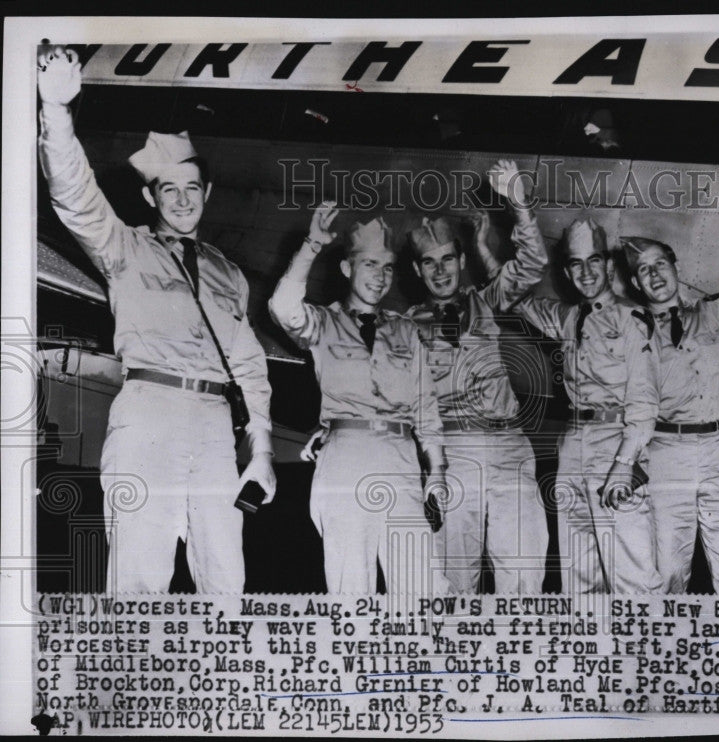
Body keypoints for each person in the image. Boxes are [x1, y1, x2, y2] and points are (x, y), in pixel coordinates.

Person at [37, 46, 275, 593]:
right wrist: (56, 113)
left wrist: (261, 451)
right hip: (149, 416)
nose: (184, 200)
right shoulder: (124, 247)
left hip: (217, 425)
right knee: (140, 579)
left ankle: (221, 678)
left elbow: (249, 363)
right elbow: (75, 196)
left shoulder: (228, 273)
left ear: (207, 193)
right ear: (150, 195)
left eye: (193, 187)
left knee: (226, 583)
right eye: (170, 188)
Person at [269, 205, 447, 594]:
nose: (380, 277)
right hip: (345, 458)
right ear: (348, 269)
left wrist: (436, 471)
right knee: (351, 588)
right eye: (369, 264)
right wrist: (312, 245)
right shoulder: (323, 322)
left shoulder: (405, 330)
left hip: (400, 459)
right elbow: (282, 308)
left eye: (387, 268)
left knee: (421, 588)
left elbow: (426, 409)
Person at [621, 185, 719, 594]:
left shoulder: (711, 313)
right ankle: (667, 650)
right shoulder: (631, 333)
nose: (655, 274)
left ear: (675, 267)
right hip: (665, 453)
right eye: (644, 270)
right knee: (668, 569)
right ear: (636, 284)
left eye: (661, 264)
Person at [404, 161, 549, 594]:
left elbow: (531, 264)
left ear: (462, 260)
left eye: (448, 258)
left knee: (523, 574)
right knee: (452, 578)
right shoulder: (405, 327)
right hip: (452, 454)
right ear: (417, 271)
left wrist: (519, 207)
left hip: (509, 447)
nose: (440, 270)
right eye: (429, 263)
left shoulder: (486, 300)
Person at [515, 219, 662, 593]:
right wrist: (509, 225)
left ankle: (641, 651)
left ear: (609, 267)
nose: (585, 272)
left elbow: (644, 402)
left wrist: (624, 464)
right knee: (580, 577)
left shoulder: (632, 320)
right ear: (567, 271)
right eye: (576, 264)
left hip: (615, 446)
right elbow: (515, 296)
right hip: (572, 449)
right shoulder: (566, 318)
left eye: (594, 261)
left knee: (632, 575)